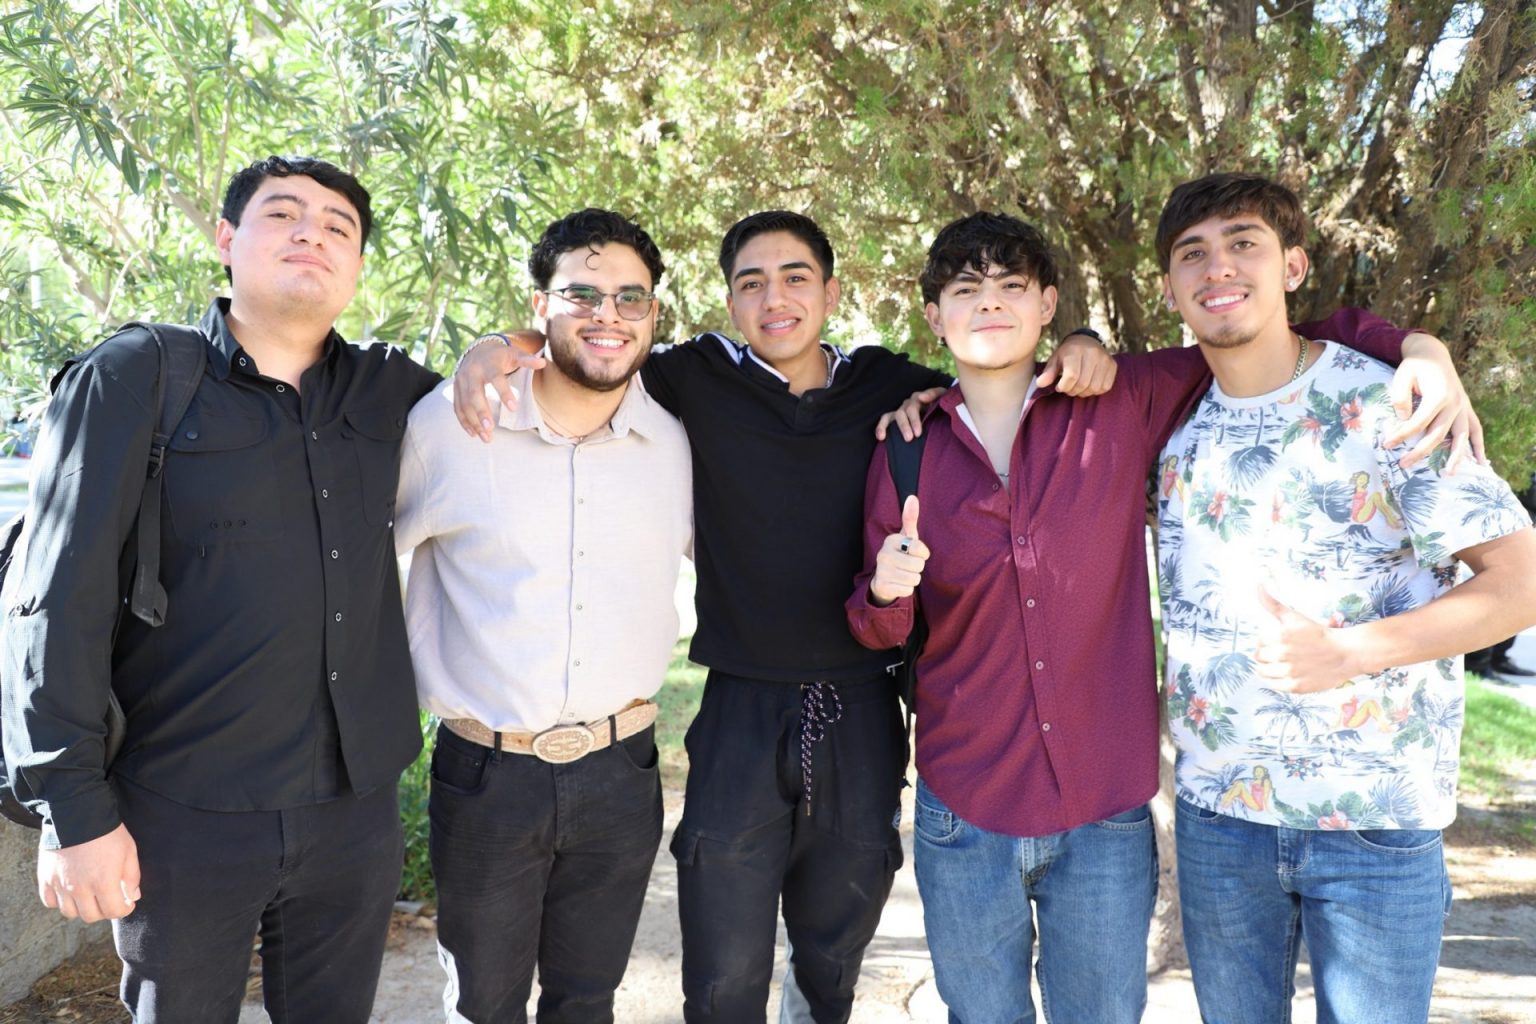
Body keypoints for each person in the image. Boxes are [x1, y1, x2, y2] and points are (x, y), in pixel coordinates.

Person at [452, 210, 1116, 1023]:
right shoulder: (692, 376)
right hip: (740, 703)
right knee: (723, 969)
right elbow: (591, 343)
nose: (775, 298)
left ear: (830, 293)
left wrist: (1081, 338)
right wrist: (499, 344)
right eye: (751, 283)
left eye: (796, 278)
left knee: (832, 959)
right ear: (729, 301)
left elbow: (995, 370)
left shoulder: (887, 384)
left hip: (862, 706)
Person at [843, 210, 1470, 1022]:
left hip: (1103, 810)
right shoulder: (905, 448)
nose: (989, 302)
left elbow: (1262, 330)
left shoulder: (1123, 399)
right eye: (966, 290)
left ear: (1047, 305)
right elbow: (877, 627)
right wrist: (886, 591)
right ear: (935, 316)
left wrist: (1421, 349)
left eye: (1010, 286)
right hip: (964, 808)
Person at [0, 155, 536, 1023]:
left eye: (338, 227)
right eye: (283, 214)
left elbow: (530, 358)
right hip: (182, 809)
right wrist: (73, 813)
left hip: (354, 812)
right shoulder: (137, 375)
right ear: (226, 239)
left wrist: (488, 347)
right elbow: (53, 601)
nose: (310, 234)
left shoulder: (389, 390)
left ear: (356, 265)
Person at [1153, 172, 1536, 1024]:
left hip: (1373, 819)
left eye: (1244, 243)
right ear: (1170, 288)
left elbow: (1521, 583)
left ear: (1292, 266)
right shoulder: (1173, 422)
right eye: (1193, 254)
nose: (1219, 267)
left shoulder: (1388, 401)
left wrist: (1350, 653)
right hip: (1219, 817)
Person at [395, 209, 692, 1023]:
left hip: (621, 771)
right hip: (487, 775)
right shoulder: (451, 426)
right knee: (484, 1006)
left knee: (587, 1002)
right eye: (581, 294)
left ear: (653, 313)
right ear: (540, 306)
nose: (608, 314)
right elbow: (349, 560)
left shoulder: (675, 443)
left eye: (630, 297)